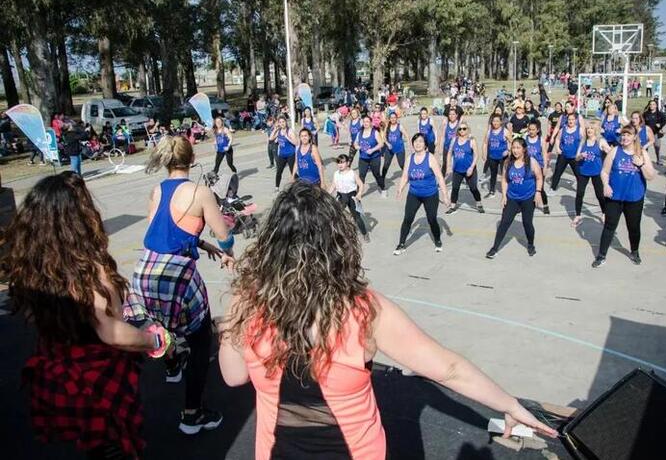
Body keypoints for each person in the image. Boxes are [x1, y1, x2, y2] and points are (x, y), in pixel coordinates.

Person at [216, 182, 557, 460]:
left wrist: (233, 318)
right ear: (337, 242)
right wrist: (511, 406)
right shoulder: (365, 310)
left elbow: (233, 377)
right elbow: (449, 369)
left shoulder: (247, 302)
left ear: (272, 243)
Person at [3, 172, 171, 459]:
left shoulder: (33, 267)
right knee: (115, 448)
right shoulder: (90, 272)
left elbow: (34, 318)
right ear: (78, 219)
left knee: (92, 447)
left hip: (57, 374)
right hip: (98, 383)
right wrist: (154, 341)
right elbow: (112, 333)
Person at [124, 135, 235, 435]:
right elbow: (224, 234)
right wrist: (227, 251)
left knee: (160, 321)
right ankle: (192, 413)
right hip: (177, 276)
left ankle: (172, 362)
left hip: (145, 271)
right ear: (192, 156)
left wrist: (202, 244)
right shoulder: (200, 193)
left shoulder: (157, 190)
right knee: (201, 342)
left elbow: (162, 231)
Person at [592, 126, 655, 267]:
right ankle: (601, 255)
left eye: (628, 135)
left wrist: (641, 164)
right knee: (609, 226)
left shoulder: (642, 153)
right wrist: (606, 185)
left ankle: (634, 251)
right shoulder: (615, 151)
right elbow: (604, 171)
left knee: (633, 227)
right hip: (615, 197)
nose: (625, 137)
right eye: (623, 135)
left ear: (634, 137)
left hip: (634, 198)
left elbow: (651, 176)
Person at [486, 137, 544, 258]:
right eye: (513, 147)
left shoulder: (531, 162)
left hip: (528, 198)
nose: (515, 150)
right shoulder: (508, 162)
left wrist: (538, 192)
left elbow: (539, 177)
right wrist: (503, 196)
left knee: (527, 223)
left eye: (518, 148)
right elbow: (504, 180)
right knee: (504, 223)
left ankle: (530, 244)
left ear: (524, 149)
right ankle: (495, 248)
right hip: (512, 198)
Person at [393, 133, 449, 254]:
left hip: (430, 195)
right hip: (414, 194)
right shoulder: (410, 158)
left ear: (425, 145)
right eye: (416, 141)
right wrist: (400, 189)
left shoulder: (430, 158)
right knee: (407, 219)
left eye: (420, 142)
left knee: (432, 219)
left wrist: (445, 195)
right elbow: (405, 176)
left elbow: (439, 177)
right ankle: (401, 244)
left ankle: (438, 240)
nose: (418, 144)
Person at [573, 121, 610, 227]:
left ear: (595, 130)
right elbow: (576, 157)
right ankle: (578, 215)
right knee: (579, 193)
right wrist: (581, 156)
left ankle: (604, 213)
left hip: (596, 172)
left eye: (592, 128)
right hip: (583, 171)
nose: (589, 130)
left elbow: (610, 152)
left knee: (600, 195)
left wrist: (608, 150)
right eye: (588, 128)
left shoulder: (600, 141)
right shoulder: (583, 142)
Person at [327, 154, 370, 242]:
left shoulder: (352, 173)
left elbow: (361, 184)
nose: (340, 165)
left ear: (347, 163)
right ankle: (336, 235)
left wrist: (359, 194)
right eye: (338, 163)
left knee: (357, 218)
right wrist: (327, 194)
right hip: (341, 196)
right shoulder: (336, 174)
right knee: (335, 215)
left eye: (342, 162)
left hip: (352, 196)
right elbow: (333, 185)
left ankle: (365, 233)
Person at [445, 121, 484, 214]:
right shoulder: (454, 140)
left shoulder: (471, 140)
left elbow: (476, 155)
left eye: (464, 128)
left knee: (473, 188)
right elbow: (449, 152)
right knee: (455, 188)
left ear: (467, 129)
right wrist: (448, 166)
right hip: (457, 170)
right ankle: (453, 206)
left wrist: (471, 167)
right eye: (460, 129)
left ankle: (479, 204)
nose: (462, 130)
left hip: (469, 169)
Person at [355, 115, 387, 196]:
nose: (365, 123)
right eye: (364, 122)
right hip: (363, 158)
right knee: (361, 175)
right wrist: (357, 146)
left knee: (376, 174)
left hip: (374, 157)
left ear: (370, 123)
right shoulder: (360, 133)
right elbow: (355, 143)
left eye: (367, 122)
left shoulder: (375, 132)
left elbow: (381, 144)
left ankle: (383, 188)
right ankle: (358, 193)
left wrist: (372, 150)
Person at [525, 118, 550, 214]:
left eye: (533, 129)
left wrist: (545, 167)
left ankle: (545, 205)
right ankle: (529, 204)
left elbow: (544, 154)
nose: (531, 131)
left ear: (538, 130)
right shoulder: (525, 138)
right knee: (529, 186)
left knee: (540, 187)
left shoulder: (541, 140)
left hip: (539, 167)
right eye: (529, 129)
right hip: (528, 167)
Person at [550, 112, 581, 191]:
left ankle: (580, 189)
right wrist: (557, 148)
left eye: (572, 119)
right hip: (564, 155)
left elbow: (583, 141)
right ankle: (553, 188)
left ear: (575, 120)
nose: (571, 121)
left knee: (579, 174)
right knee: (558, 172)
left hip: (574, 156)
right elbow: (557, 139)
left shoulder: (579, 129)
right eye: (569, 119)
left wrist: (580, 152)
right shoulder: (563, 129)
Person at [482, 114, 509, 198]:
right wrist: (484, 153)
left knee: (505, 174)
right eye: (494, 121)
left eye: (497, 121)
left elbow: (511, 142)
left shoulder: (505, 131)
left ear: (501, 122)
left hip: (503, 157)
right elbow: (485, 143)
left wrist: (508, 151)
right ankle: (492, 191)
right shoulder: (489, 131)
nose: (495, 123)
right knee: (493, 174)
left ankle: (507, 191)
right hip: (492, 156)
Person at [270, 115, 297, 191]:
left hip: (291, 154)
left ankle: (298, 184)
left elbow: (296, 143)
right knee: (279, 171)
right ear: (278, 123)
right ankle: (277, 187)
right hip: (282, 155)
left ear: (286, 122)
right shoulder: (278, 131)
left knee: (293, 171)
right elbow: (271, 139)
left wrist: (287, 137)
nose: (282, 123)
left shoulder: (290, 131)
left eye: (283, 122)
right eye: (280, 122)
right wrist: (275, 130)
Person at [382, 112, 408, 180]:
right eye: (391, 118)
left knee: (402, 164)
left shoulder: (400, 126)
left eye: (394, 117)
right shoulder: (387, 126)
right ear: (389, 119)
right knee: (386, 164)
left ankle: (408, 176)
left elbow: (407, 136)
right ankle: (382, 178)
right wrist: (387, 144)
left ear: (396, 118)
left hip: (399, 149)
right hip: (389, 149)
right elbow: (384, 138)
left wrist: (407, 142)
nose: (393, 119)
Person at [642, 100, 666, 164]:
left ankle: (658, 160)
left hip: (656, 133)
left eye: (653, 104)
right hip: (647, 133)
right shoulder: (646, 113)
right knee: (645, 147)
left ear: (656, 106)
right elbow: (642, 121)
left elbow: (664, 120)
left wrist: (660, 125)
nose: (651, 106)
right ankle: (645, 160)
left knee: (657, 147)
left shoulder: (659, 114)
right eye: (650, 104)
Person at [439, 109, 460, 177]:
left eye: (453, 114)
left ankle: (460, 178)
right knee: (444, 164)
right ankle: (441, 180)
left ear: (456, 115)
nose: (451, 116)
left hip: (456, 149)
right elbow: (442, 137)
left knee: (457, 164)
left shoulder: (459, 125)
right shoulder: (446, 124)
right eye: (450, 114)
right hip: (446, 147)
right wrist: (440, 149)